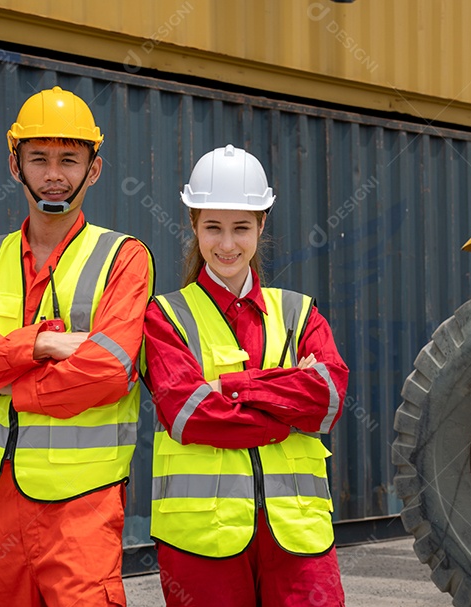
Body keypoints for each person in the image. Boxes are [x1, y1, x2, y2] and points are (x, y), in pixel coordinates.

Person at [0, 86, 153, 607]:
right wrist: (39, 345)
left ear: (93, 169)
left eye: (69, 159)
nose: (54, 174)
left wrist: (0, 379)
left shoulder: (123, 258)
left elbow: (109, 369)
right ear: (14, 165)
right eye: (39, 158)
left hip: (80, 510)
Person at [142, 144, 349, 606]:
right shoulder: (165, 317)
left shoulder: (298, 311)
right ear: (194, 226)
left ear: (261, 226)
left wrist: (234, 387)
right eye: (213, 227)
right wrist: (287, 413)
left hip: (297, 535)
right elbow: (189, 415)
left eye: (241, 228)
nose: (228, 244)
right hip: (201, 539)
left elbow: (329, 400)